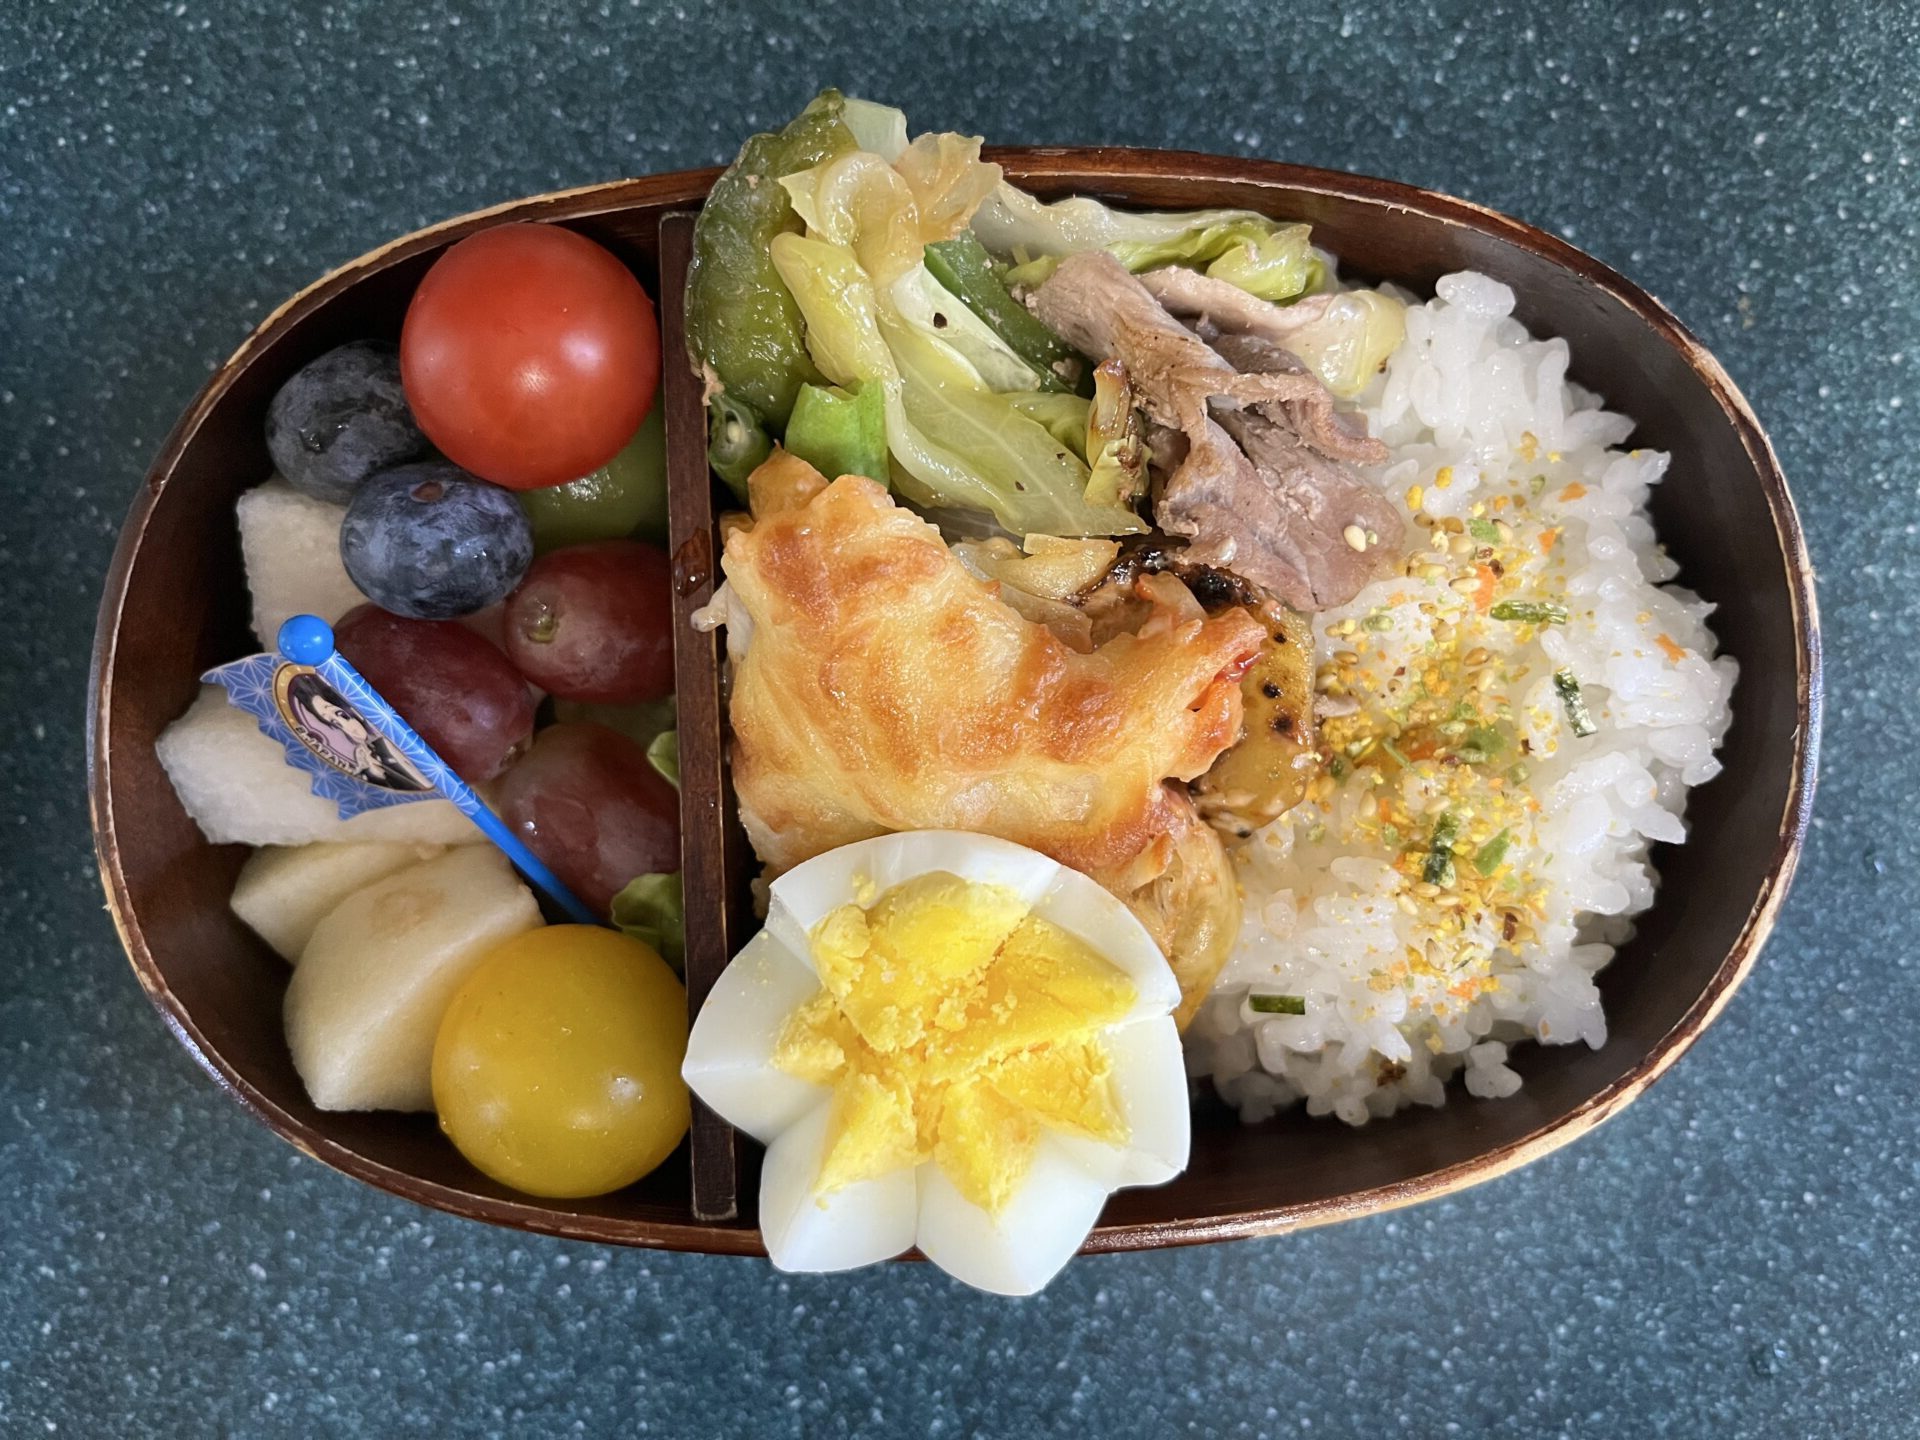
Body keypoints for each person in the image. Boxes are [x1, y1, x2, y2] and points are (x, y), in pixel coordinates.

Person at [281, 671, 430, 792]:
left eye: (341, 715)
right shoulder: (370, 754)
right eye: (334, 722)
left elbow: (428, 782)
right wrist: (375, 774)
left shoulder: (391, 735)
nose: (346, 728)